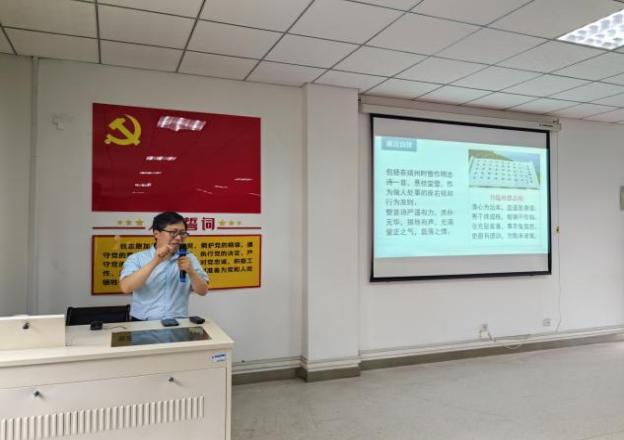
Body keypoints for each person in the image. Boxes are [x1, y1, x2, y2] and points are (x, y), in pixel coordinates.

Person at [120, 211, 209, 320]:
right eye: (173, 232)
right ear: (156, 234)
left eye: (182, 233)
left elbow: (203, 291)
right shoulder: (137, 258)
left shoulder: (189, 258)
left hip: (178, 323)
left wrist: (191, 272)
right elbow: (126, 287)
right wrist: (155, 261)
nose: (179, 238)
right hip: (142, 324)